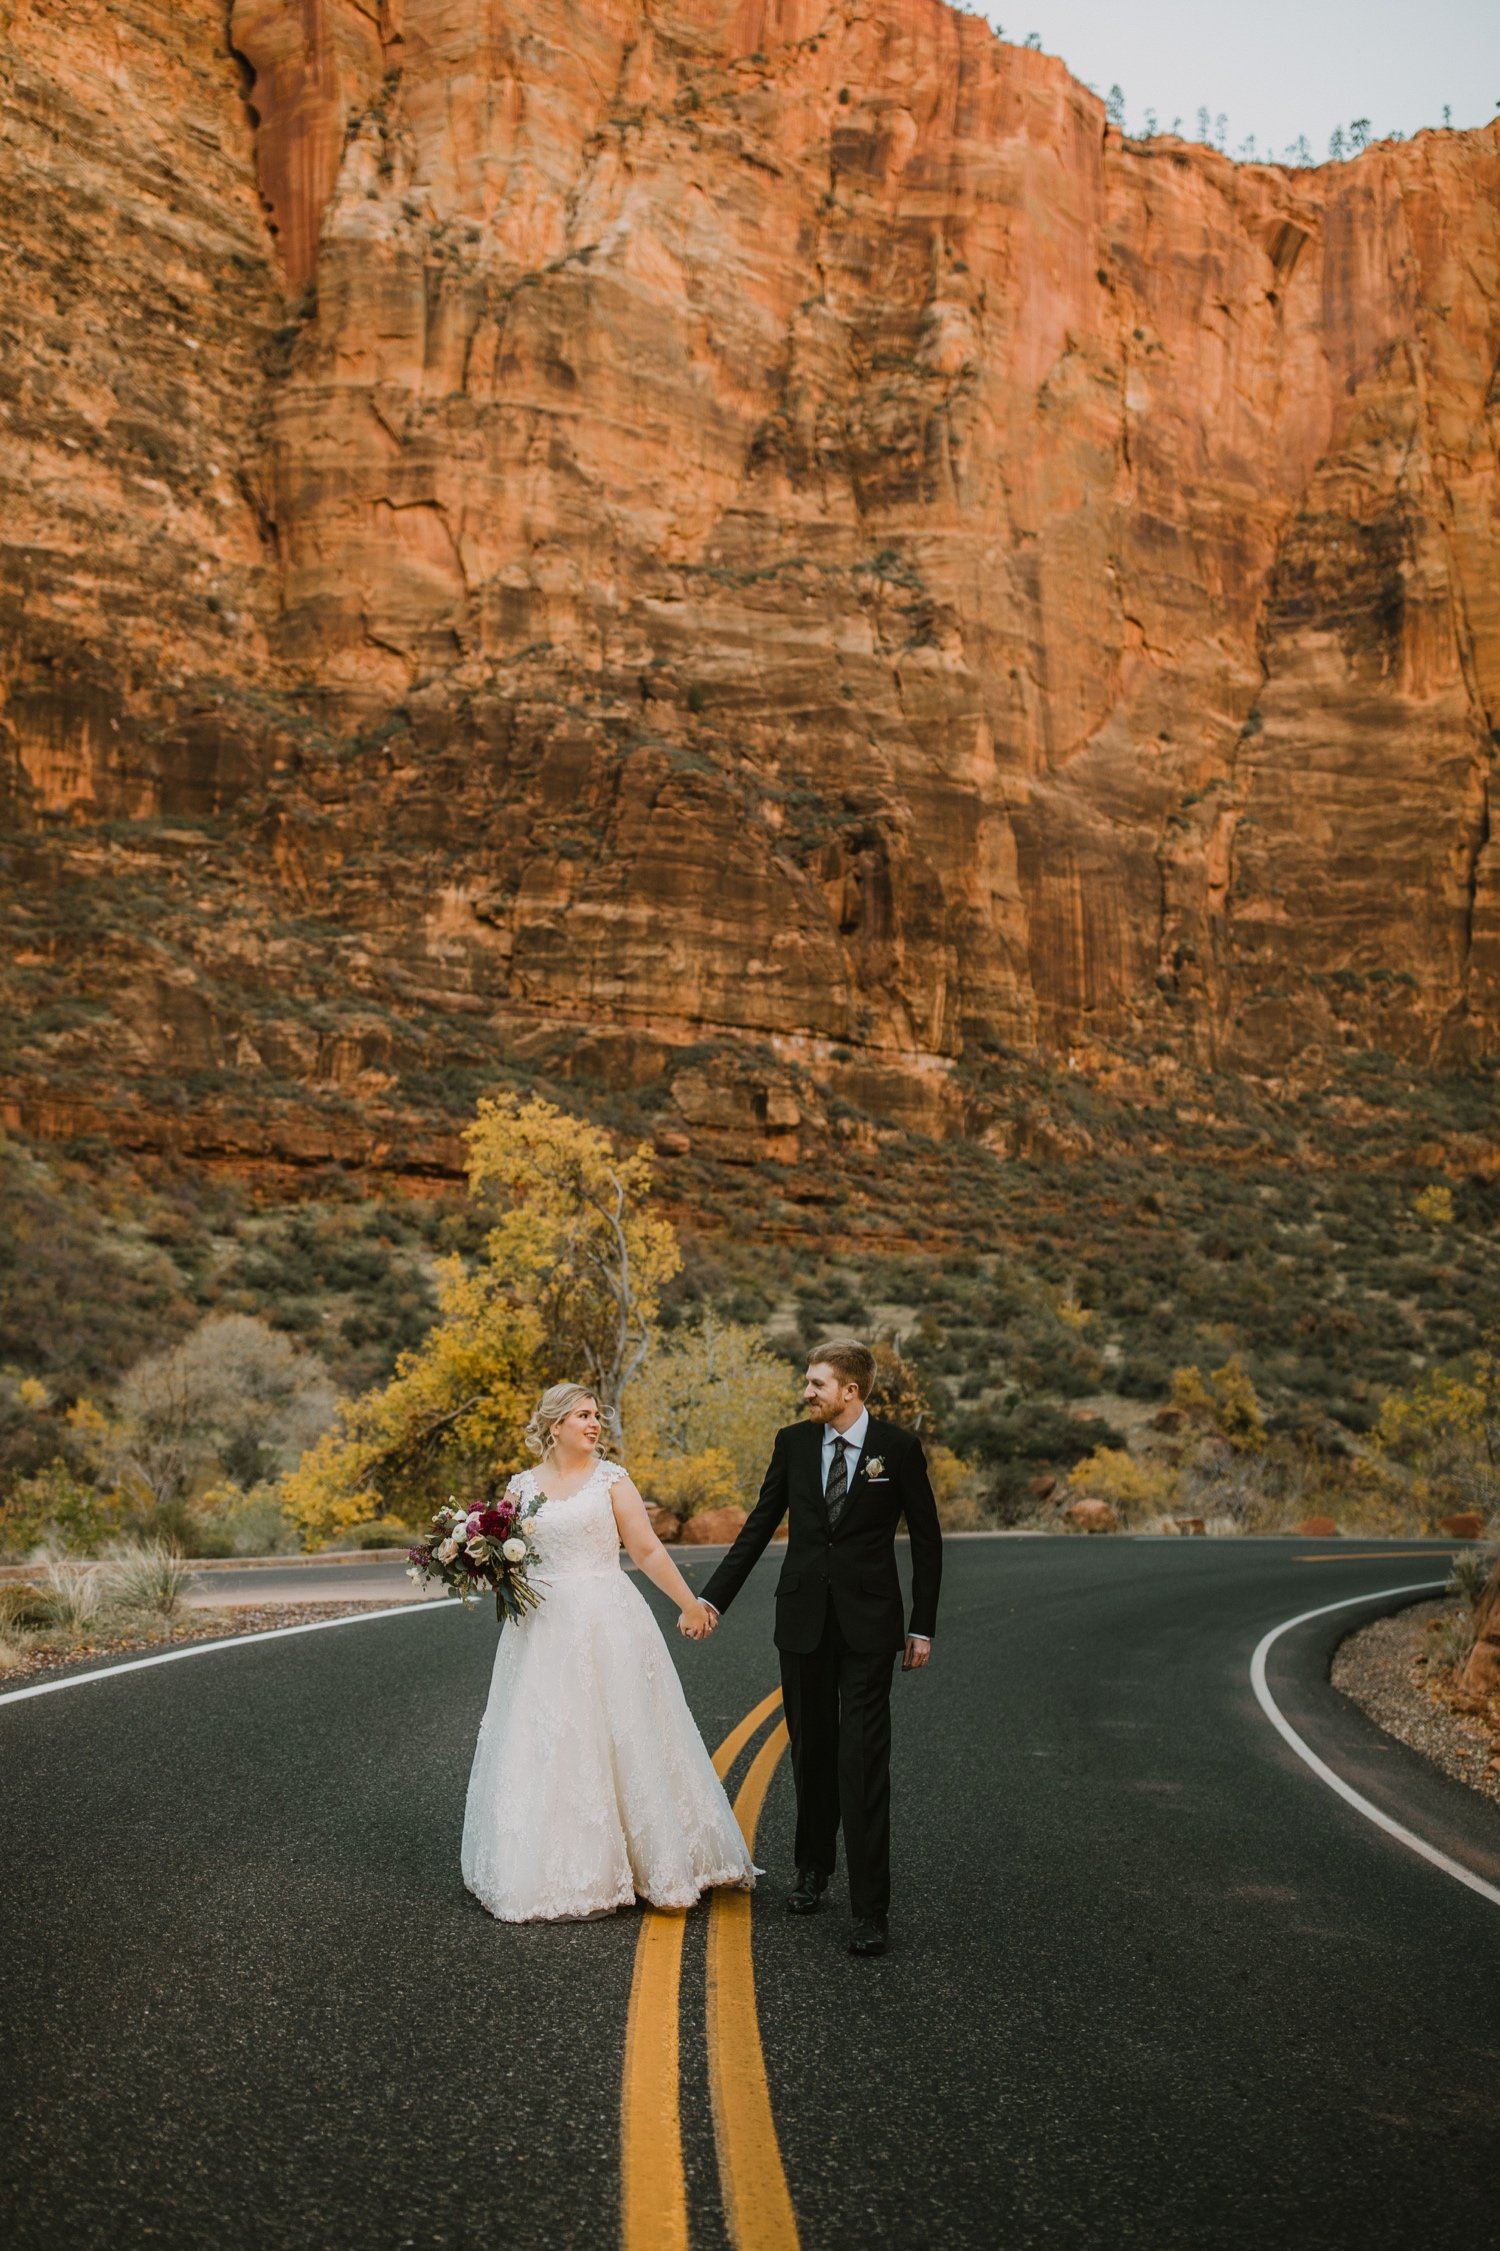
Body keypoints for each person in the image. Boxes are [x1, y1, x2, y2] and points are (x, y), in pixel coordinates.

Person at [461, 1383, 755, 1922]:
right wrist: (474, 1560)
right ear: (555, 1426)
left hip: (607, 1617)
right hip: (542, 1627)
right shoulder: (522, 1487)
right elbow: (508, 1552)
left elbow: (644, 1548)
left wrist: (690, 1604)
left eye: (598, 1416)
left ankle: (658, 1860)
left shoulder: (612, 1480)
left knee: (628, 1732)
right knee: (555, 1736)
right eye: (583, 1416)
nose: (595, 1425)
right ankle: (564, 1866)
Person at [696, 1338, 942, 1957]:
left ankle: (870, 1908)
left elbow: (929, 1541)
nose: (806, 1393)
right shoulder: (794, 1443)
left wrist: (922, 1626)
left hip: (869, 1627)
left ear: (850, 1391)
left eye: (817, 1384)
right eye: (807, 1383)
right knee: (810, 1751)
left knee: (861, 1762)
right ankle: (812, 1870)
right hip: (802, 1621)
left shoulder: (899, 1450)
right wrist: (712, 1600)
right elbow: (759, 1525)